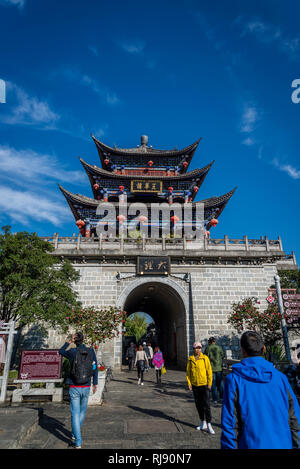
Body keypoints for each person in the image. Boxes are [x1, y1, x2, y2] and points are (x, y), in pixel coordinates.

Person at [221, 330, 300, 449]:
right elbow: (294, 418)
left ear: (243, 350)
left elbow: (230, 424)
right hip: (283, 444)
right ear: (264, 349)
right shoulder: (281, 378)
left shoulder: (234, 380)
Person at [59, 332, 98, 449]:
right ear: (84, 339)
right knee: (82, 412)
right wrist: (95, 383)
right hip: (86, 386)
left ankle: (78, 441)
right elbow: (95, 367)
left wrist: (68, 342)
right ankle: (75, 434)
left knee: (74, 414)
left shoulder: (72, 352)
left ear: (75, 341)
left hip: (74, 386)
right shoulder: (91, 351)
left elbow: (60, 351)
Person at [186, 341, 214, 434]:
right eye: (196, 348)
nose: (198, 350)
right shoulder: (190, 359)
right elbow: (188, 373)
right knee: (198, 405)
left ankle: (209, 423)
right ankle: (203, 422)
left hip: (204, 384)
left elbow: (209, 371)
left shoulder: (205, 358)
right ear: (193, 349)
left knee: (206, 405)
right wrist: (189, 383)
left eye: (199, 348)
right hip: (195, 385)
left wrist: (210, 383)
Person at [205, 337, 224, 403]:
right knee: (220, 383)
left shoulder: (208, 348)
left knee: (213, 384)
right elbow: (222, 355)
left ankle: (215, 399)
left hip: (211, 369)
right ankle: (222, 397)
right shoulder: (219, 348)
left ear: (209, 342)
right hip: (219, 368)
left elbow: (205, 357)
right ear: (215, 341)